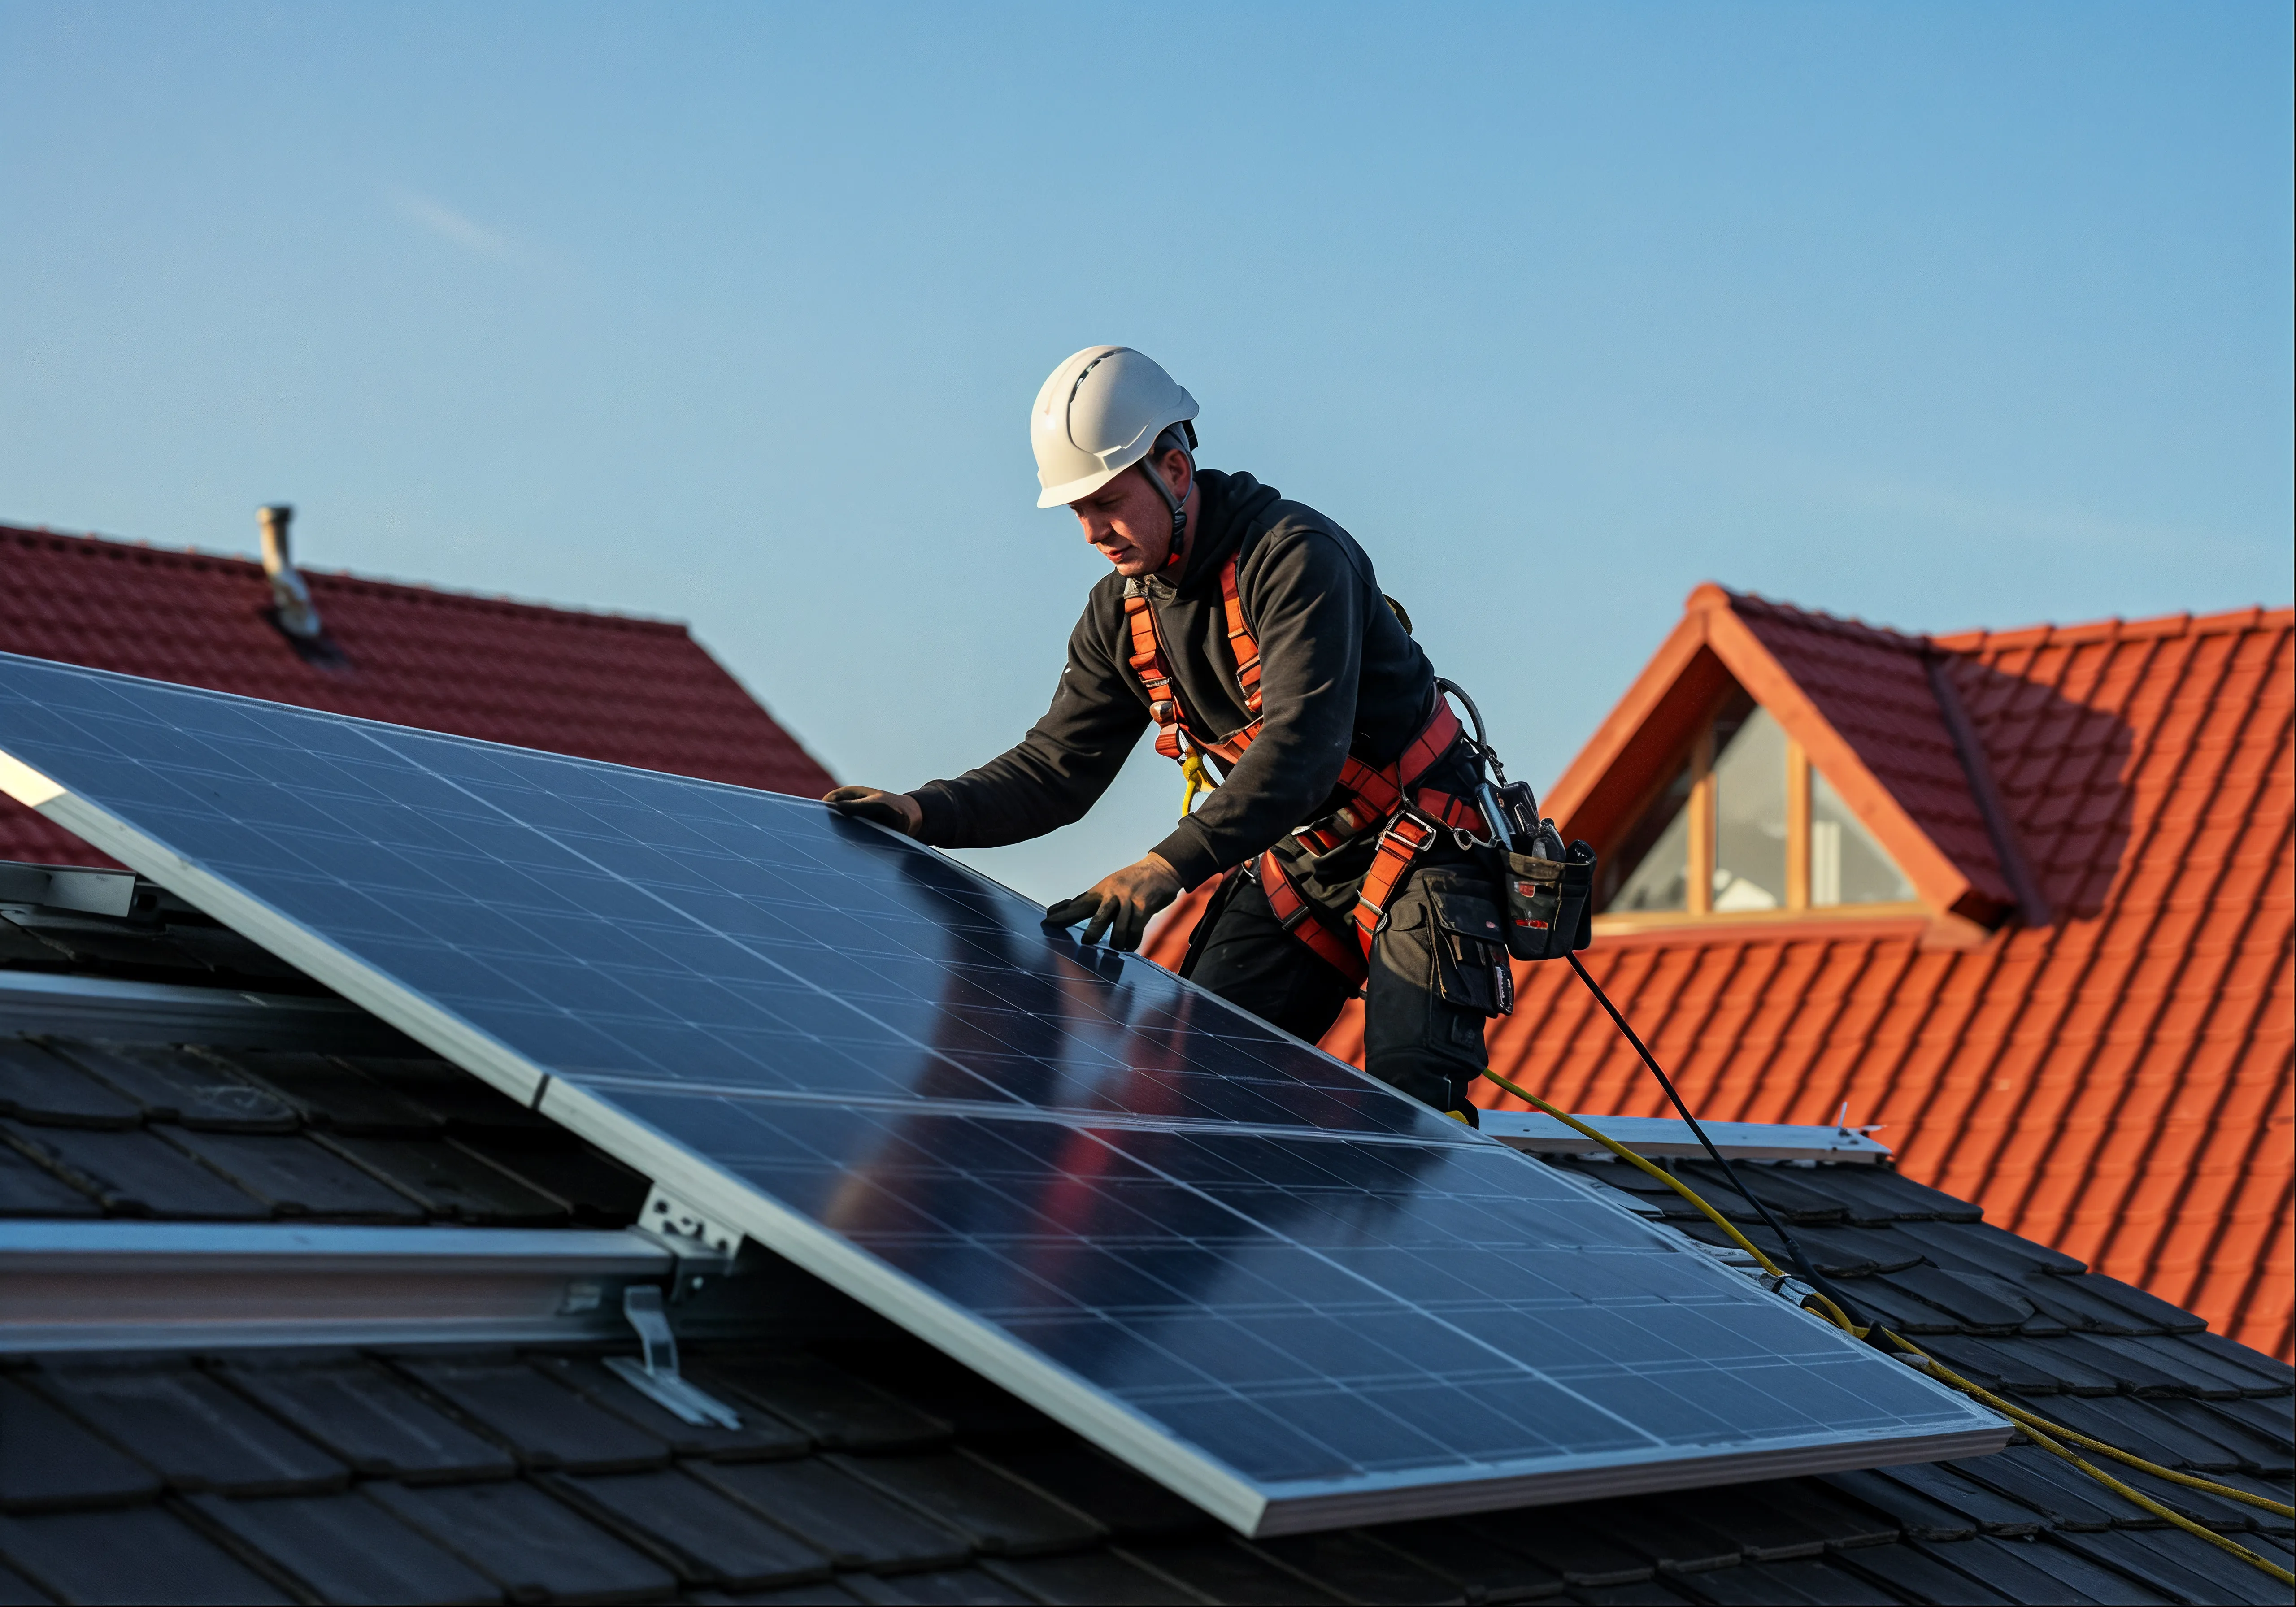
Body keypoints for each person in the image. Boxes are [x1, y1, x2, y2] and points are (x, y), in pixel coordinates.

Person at [826, 346, 1513, 1121]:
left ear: (1176, 468)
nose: (1092, 531)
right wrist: (924, 813)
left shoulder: (1294, 559)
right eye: (1077, 511)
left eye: (1108, 501)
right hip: (1303, 865)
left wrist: (1164, 868)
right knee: (1190, 1096)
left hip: (1423, 849)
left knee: (1410, 1114)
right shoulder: (1120, 615)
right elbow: (1056, 769)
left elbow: (1303, 753)